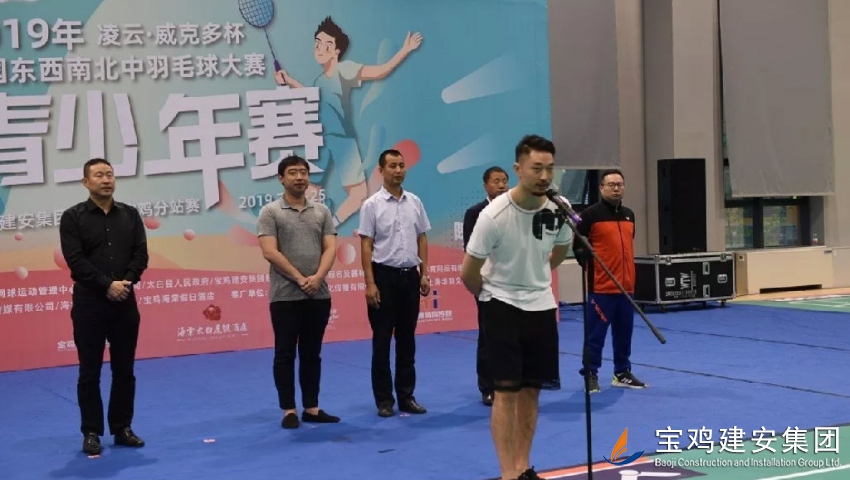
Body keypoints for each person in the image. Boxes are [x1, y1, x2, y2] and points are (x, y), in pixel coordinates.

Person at [460, 135, 573, 480]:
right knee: (505, 392)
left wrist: (536, 275)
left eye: (549, 168)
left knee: (532, 391)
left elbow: (561, 249)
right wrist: (491, 295)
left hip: (541, 307)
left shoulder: (559, 208)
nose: (544, 176)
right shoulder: (494, 215)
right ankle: (508, 472)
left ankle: (524, 467)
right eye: (536, 168)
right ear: (518, 169)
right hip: (502, 307)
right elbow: (469, 272)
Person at [275, 16, 423, 227]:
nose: (320, 48)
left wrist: (405, 50)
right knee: (314, 190)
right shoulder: (319, 80)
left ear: (336, 51)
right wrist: (289, 81)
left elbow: (379, 72)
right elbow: (312, 96)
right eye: (317, 43)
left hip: (341, 140)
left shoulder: (344, 70)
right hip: (324, 139)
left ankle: (327, 227)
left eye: (327, 45)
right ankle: (311, 228)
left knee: (355, 194)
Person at [59, 158, 149, 455]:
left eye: (109, 174)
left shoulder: (130, 215)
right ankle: (91, 431)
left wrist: (126, 282)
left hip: (125, 300)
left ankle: (122, 428)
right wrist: (107, 285)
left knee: (125, 369)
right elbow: (75, 261)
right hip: (90, 302)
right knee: (90, 371)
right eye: (98, 175)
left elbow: (140, 255)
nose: (106, 179)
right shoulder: (73, 217)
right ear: (86, 182)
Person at [257, 155, 342, 429]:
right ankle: (289, 410)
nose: (299, 177)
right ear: (281, 178)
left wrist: (317, 278)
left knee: (311, 353)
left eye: (303, 172)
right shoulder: (270, 212)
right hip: (285, 296)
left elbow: (330, 248)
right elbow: (269, 252)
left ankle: (311, 408)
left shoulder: (322, 211)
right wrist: (299, 278)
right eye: (292, 172)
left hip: (318, 295)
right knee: (284, 354)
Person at [358, 149, 431, 417]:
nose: (398, 170)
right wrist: (370, 283)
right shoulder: (372, 205)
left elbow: (422, 238)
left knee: (407, 341)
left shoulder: (415, 202)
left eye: (401, 165)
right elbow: (366, 245)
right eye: (392, 166)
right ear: (381, 170)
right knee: (381, 342)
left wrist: (424, 273)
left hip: (410, 277)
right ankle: (384, 400)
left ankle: (406, 396)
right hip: (383, 278)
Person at [573, 168, 647, 393]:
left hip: (626, 287)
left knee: (624, 334)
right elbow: (578, 248)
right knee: (595, 335)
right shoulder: (589, 216)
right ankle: (590, 373)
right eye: (611, 185)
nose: (616, 188)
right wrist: (593, 269)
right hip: (602, 288)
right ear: (601, 188)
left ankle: (622, 372)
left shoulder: (629, 215)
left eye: (619, 184)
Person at [462, 166, 509, 407]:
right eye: (496, 181)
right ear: (485, 185)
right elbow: (471, 252)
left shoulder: (516, 211)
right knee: (488, 336)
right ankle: (487, 387)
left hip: (512, 282)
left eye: (504, 181)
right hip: (487, 284)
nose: (501, 185)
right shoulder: (475, 213)